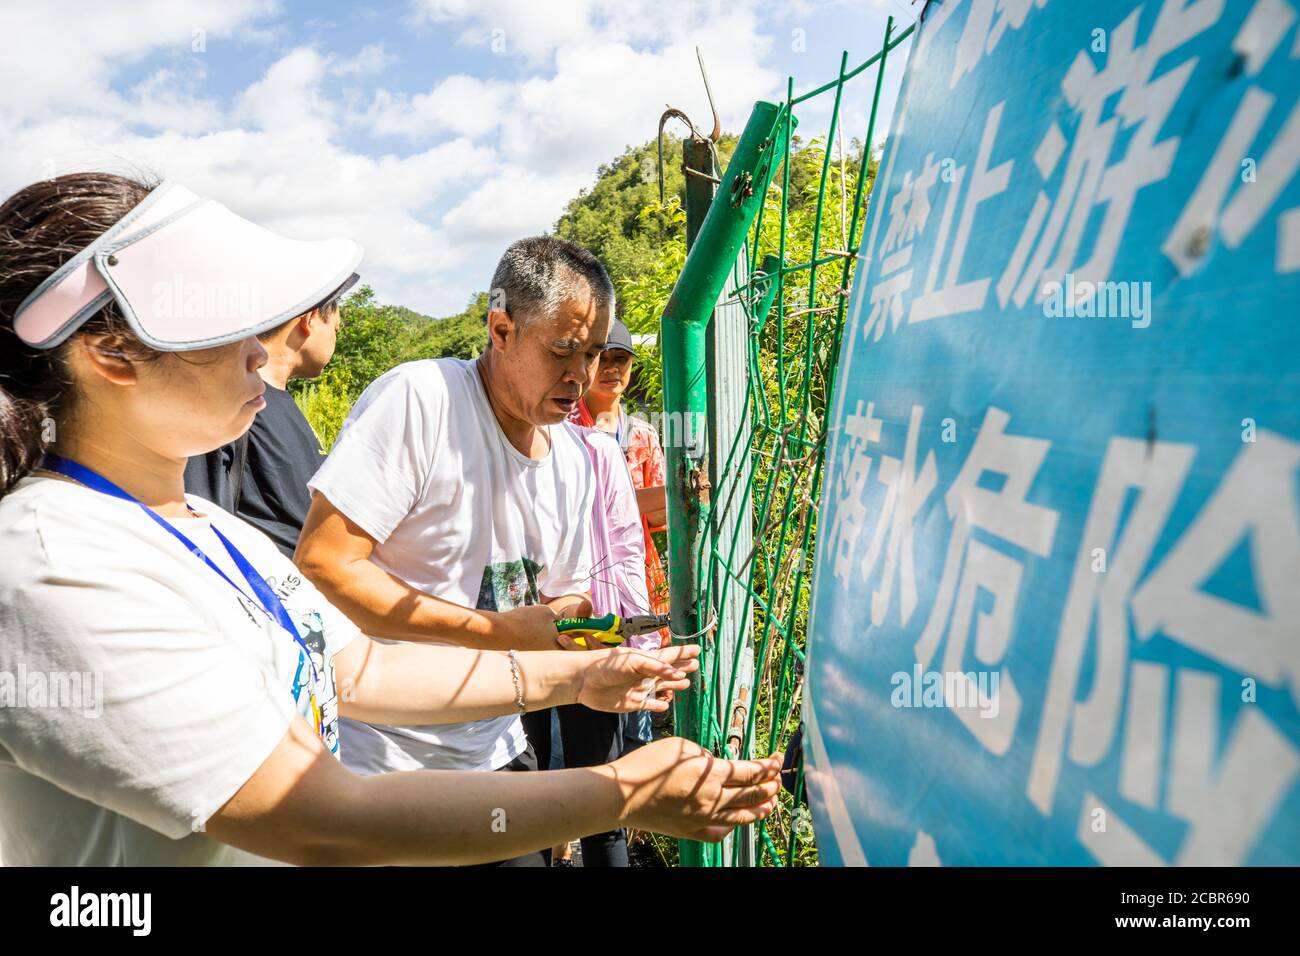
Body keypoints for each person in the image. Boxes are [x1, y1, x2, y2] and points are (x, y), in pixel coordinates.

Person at [0, 172, 782, 866]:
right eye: (223, 320)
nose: (257, 347)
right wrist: (623, 790)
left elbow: (362, 672)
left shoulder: (211, 530)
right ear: (109, 351)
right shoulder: (54, 566)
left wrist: (579, 673)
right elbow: (325, 822)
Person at [295, 236, 629, 866]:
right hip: (382, 766)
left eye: (592, 353)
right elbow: (324, 562)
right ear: (500, 330)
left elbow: (568, 592)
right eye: (562, 350)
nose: (580, 376)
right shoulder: (423, 401)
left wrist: (583, 641)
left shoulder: (575, 460)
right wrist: (493, 628)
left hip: (497, 753)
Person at [525, 412, 659, 866]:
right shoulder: (478, 448)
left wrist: (639, 640)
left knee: (600, 788)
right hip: (510, 650)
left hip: (587, 639)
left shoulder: (595, 450)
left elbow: (625, 546)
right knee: (525, 784)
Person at [183, 270, 358, 558]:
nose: (335, 340)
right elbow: (201, 520)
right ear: (310, 319)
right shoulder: (230, 404)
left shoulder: (279, 402)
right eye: (336, 329)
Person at [568, 320, 671, 750]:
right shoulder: (565, 430)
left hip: (639, 576)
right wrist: (642, 501)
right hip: (587, 582)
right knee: (594, 696)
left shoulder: (643, 434)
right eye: (603, 358)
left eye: (621, 360)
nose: (612, 369)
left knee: (645, 699)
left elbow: (665, 518)